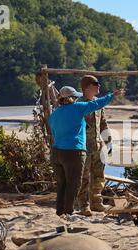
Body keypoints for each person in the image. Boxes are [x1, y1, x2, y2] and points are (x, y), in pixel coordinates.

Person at [48, 85, 124, 217]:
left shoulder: (54, 114)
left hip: (56, 153)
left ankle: (60, 211)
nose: (77, 99)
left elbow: (54, 134)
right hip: (74, 152)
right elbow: (97, 103)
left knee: (62, 184)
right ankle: (68, 212)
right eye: (75, 97)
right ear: (71, 99)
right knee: (74, 183)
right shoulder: (78, 108)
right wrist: (112, 95)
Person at [77, 75, 113, 216]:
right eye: (96, 83)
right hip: (83, 146)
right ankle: (83, 206)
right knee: (83, 177)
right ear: (87, 87)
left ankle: (96, 203)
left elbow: (103, 122)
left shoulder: (98, 103)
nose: (99, 86)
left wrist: (108, 139)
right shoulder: (78, 105)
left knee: (99, 176)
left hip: (98, 145)